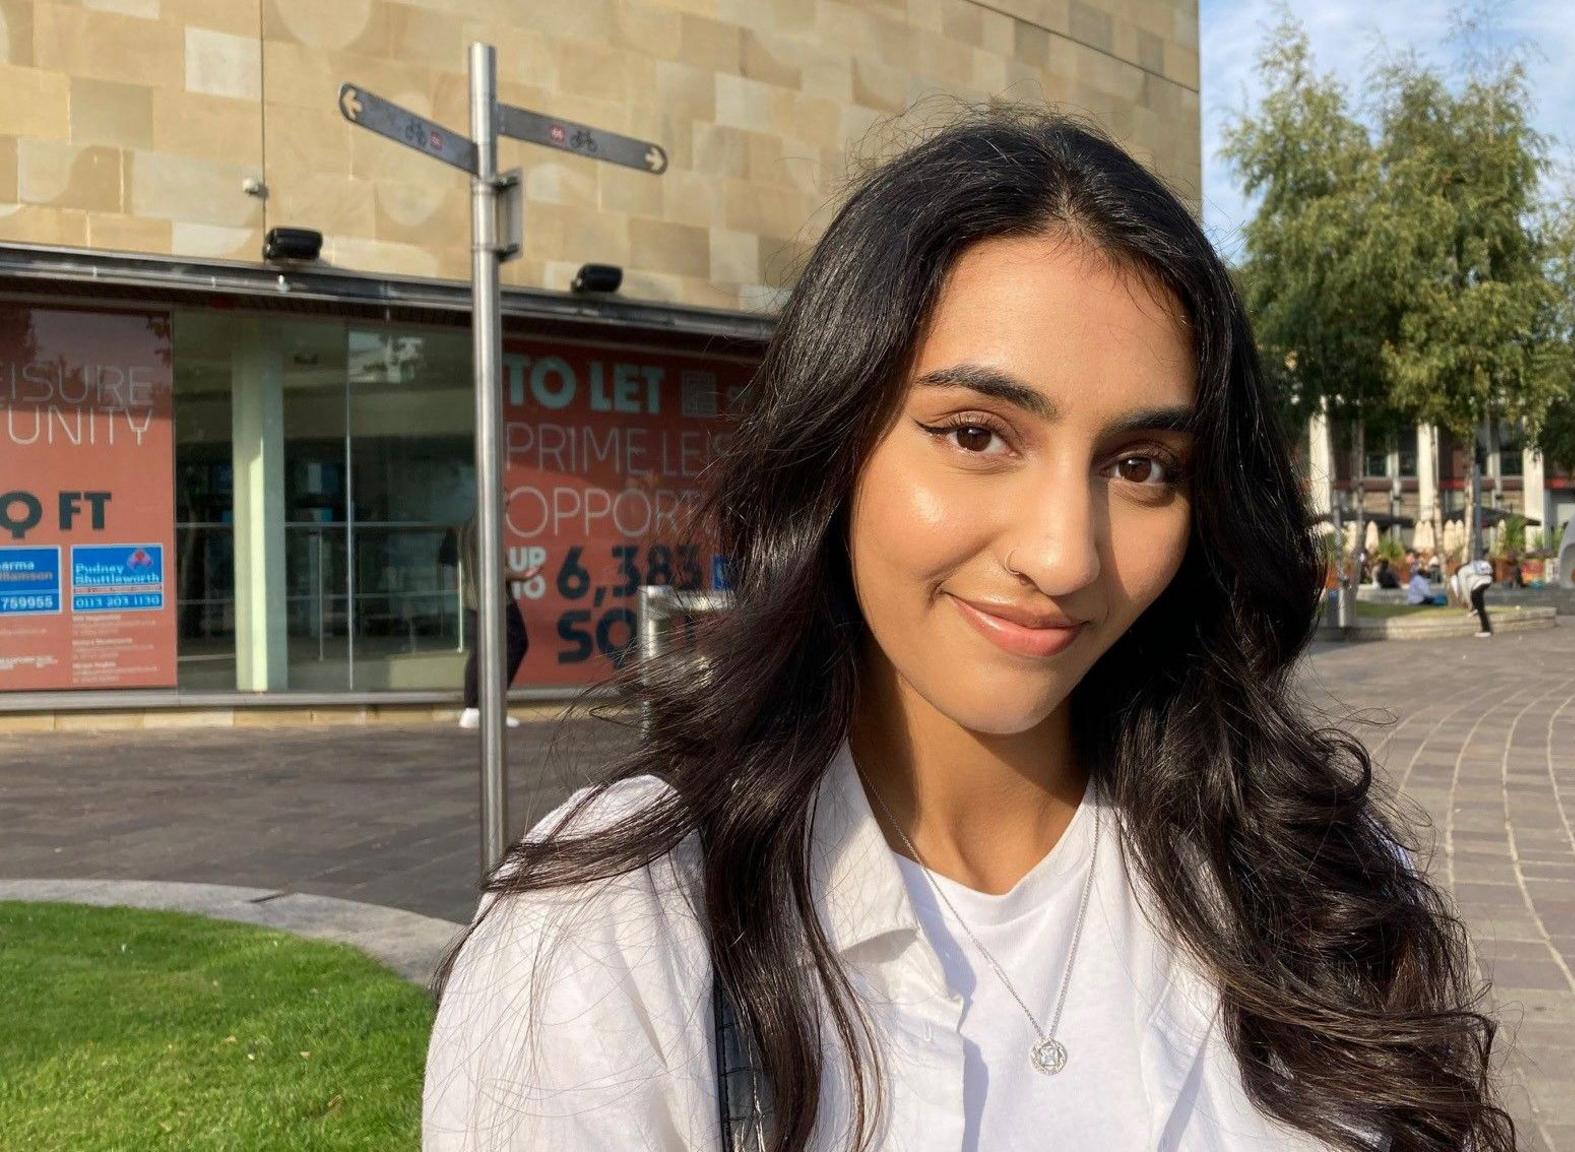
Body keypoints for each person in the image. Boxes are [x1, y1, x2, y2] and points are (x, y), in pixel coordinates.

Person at [421, 110, 1512, 1152]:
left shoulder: (1316, 876)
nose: (1064, 556)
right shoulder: (622, 930)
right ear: (836, 445)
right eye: (977, 434)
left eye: (1140, 467)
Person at [454, 513, 542, 730]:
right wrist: (524, 575)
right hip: (494, 599)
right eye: (504, 503)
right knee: (516, 643)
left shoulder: (467, 525)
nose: (506, 510)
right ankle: (489, 708)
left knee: (482, 651)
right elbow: (494, 568)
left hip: (475, 598)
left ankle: (474, 709)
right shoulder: (485, 525)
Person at [1453, 552, 1494, 638]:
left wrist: (1469, 603)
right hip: (1488, 580)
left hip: (1479, 584)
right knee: (1478, 601)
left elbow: (1464, 588)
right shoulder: (1471, 565)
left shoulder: (1461, 572)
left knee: (1480, 606)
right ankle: (1475, 610)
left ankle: (1486, 630)